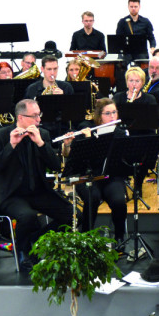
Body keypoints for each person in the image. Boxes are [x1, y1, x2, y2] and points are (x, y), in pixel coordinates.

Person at [0, 99, 74, 269]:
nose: (39, 119)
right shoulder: (1, 135)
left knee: (71, 215)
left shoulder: (43, 134)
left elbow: (56, 166)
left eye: (39, 115)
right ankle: (22, 251)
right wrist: (11, 145)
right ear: (20, 117)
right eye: (34, 116)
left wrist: (41, 144)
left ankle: (35, 240)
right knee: (28, 216)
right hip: (11, 194)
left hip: (37, 191)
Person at [64, 99, 129, 240]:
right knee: (92, 198)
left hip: (110, 176)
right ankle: (86, 238)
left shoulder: (120, 133)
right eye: (108, 113)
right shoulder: (85, 128)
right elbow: (69, 156)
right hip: (87, 176)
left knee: (119, 201)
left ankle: (119, 238)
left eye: (114, 112)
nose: (112, 116)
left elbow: (123, 161)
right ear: (99, 116)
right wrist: (69, 144)